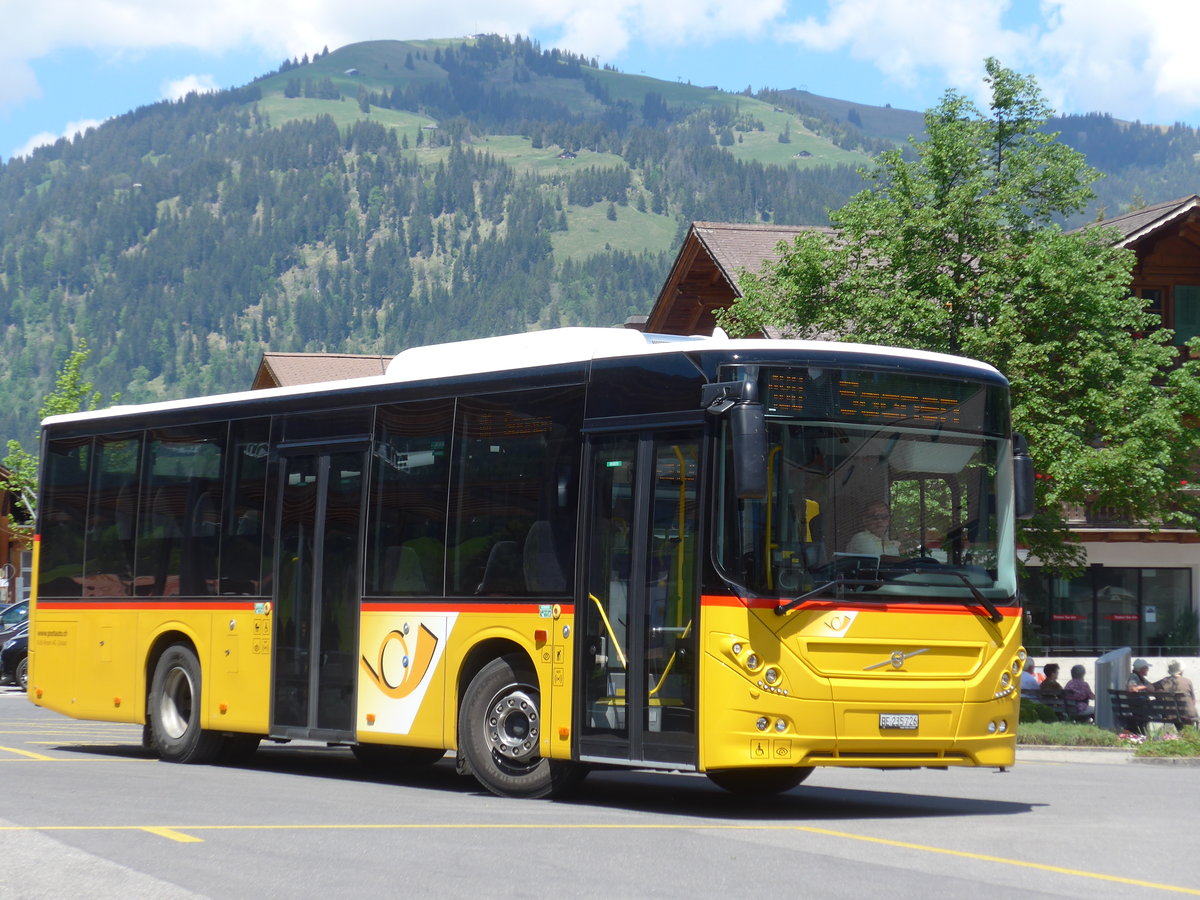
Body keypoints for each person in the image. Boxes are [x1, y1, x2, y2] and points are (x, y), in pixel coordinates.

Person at [1154, 660, 1198, 730]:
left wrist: (1157, 692)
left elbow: (1149, 687)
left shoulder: (1165, 681)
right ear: (1181, 671)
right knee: (1187, 722)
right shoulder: (1187, 681)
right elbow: (1193, 701)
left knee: (1177, 718)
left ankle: (1183, 733)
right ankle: (1186, 735)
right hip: (1189, 714)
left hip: (1172, 715)